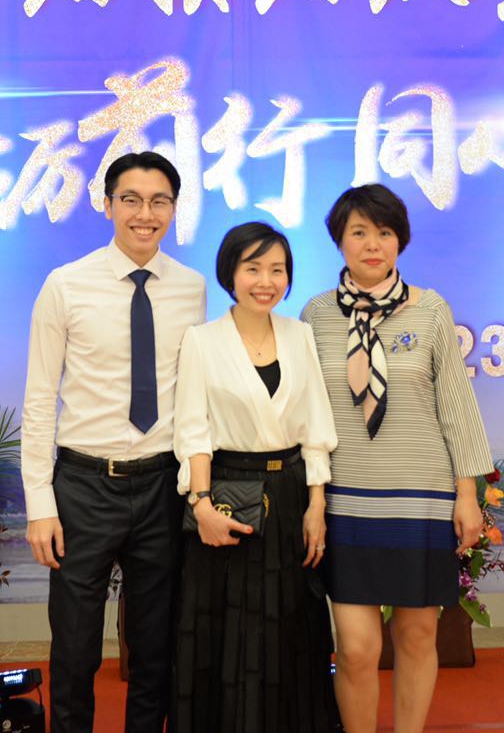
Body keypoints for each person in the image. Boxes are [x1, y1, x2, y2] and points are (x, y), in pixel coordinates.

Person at [22, 151, 208, 733]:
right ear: (107, 206)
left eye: (159, 201)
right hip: (84, 485)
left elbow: (194, 394)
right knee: (75, 647)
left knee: (156, 646)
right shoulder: (65, 285)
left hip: (162, 485)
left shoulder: (192, 288)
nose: (144, 214)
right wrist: (40, 505)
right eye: (131, 200)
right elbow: (38, 399)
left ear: (174, 209)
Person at [301, 183, 492, 733]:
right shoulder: (316, 315)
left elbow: (456, 405)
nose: (372, 244)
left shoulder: (431, 310)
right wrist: (314, 499)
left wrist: (467, 494)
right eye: (359, 232)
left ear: (400, 241)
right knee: (356, 648)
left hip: (422, 499)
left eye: (384, 233)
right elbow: (307, 414)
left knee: (416, 635)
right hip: (346, 500)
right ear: (339, 240)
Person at [172, 222, 338, 732]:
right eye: (253, 268)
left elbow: (315, 426)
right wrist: (201, 505)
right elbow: (194, 431)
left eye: (277, 270)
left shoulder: (300, 334)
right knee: (228, 627)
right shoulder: (202, 340)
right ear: (230, 273)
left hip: (290, 493)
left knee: (291, 623)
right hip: (228, 493)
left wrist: (316, 505)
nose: (266, 281)